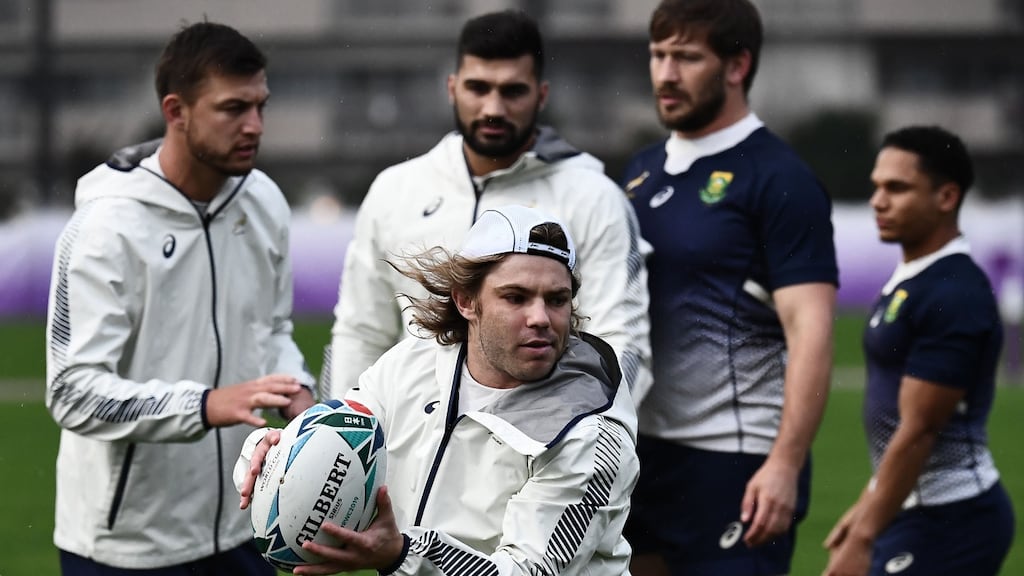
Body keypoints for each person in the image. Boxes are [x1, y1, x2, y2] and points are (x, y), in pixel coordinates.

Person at [44, 22, 316, 575]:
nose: (255, 126)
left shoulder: (264, 200)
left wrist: (298, 394)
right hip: (125, 547)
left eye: (260, 105)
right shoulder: (106, 227)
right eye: (233, 108)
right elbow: (72, 392)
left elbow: (273, 330)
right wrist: (204, 404)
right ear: (176, 111)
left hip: (247, 526)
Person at [237, 205, 640, 576]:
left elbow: (528, 572)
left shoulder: (592, 432)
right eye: (515, 297)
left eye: (557, 300)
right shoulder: (414, 361)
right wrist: (268, 455)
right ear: (466, 301)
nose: (540, 318)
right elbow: (339, 436)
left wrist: (402, 554)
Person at [325, 9, 651, 405]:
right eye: (478, 88)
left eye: (512, 91)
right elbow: (360, 332)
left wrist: (582, 437)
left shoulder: (593, 196)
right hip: (410, 446)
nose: (493, 108)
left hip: (540, 448)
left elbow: (622, 344)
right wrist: (346, 426)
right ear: (452, 88)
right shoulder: (395, 190)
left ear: (541, 95)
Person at [620, 0, 839, 574]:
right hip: (639, 452)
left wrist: (785, 464)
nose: (666, 74)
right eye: (658, 55)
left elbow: (811, 332)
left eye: (687, 58)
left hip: (735, 462)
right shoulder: (639, 171)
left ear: (737, 66)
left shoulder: (780, 178)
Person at [823, 126, 1015, 576]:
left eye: (897, 188)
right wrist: (866, 507)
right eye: (875, 187)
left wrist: (865, 535)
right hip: (910, 508)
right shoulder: (914, 277)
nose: (878, 201)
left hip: (955, 517)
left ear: (946, 197)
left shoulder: (956, 292)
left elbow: (920, 430)